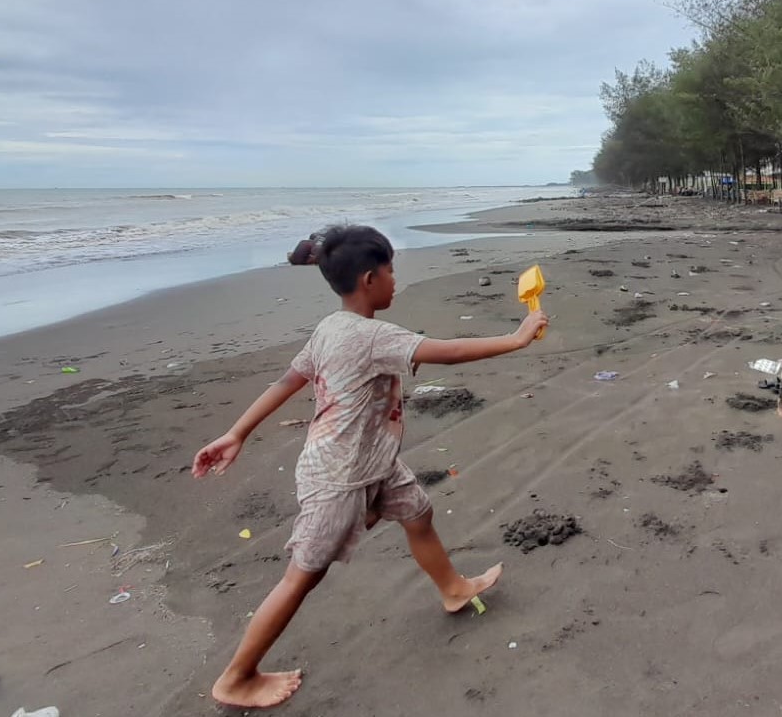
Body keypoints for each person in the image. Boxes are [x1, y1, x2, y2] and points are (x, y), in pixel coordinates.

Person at [192, 224, 549, 708]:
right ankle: (237, 677)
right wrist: (515, 339)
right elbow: (443, 353)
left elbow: (284, 382)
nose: (395, 280)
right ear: (368, 279)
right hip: (338, 477)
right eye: (390, 271)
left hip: (374, 464)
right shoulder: (370, 335)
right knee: (303, 575)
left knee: (419, 514)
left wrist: (237, 432)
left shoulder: (329, 327)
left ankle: (452, 588)